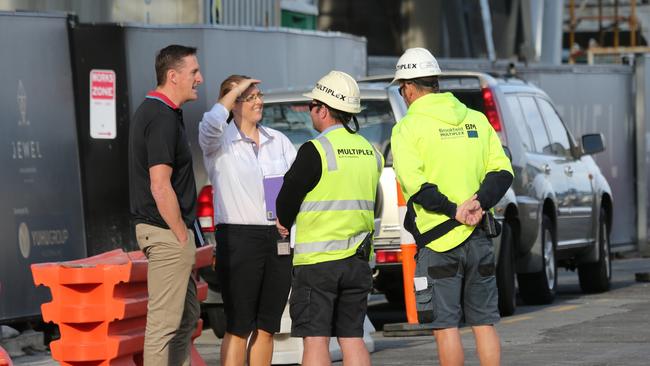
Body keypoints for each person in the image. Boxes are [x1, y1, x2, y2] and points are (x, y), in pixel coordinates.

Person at [390, 47, 514, 366]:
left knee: (446, 328)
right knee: (483, 323)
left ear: (409, 87)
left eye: (402, 88)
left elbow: (416, 186)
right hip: (480, 237)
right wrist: (478, 203)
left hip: (438, 241)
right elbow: (502, 171)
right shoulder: (475, 119)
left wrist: (453, 210)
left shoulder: (407, 129)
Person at [276, 70, 384, 366]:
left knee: (316, 339)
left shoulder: (315, 151)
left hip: (318, 263)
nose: (310, 111)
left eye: (312, 105)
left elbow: (286, 199)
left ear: (323, 109)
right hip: (357, 261)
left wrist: (283, 220)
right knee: (352, 337)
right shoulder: (371, 153)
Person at [198, 75, 297, 366]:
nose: (259, 101)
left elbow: (295, 187)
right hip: (238, 238)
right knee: (240, 325)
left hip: (276, 237)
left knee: (267, 326)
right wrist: (234, 91)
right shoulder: (219, 142)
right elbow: (210, 122)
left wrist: (289, 220)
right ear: (234, 103)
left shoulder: (277, 141)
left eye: (259, 95)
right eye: (249, 96)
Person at [128, 44, 203, 365]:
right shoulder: (160, 117)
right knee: (163, 326)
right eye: (194, 72)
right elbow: (160, 186)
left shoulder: (165, 113)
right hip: (166, 233)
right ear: (173, 76)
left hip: (169, 232)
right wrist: (181, 238)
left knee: (186, 318)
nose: (200, 78)